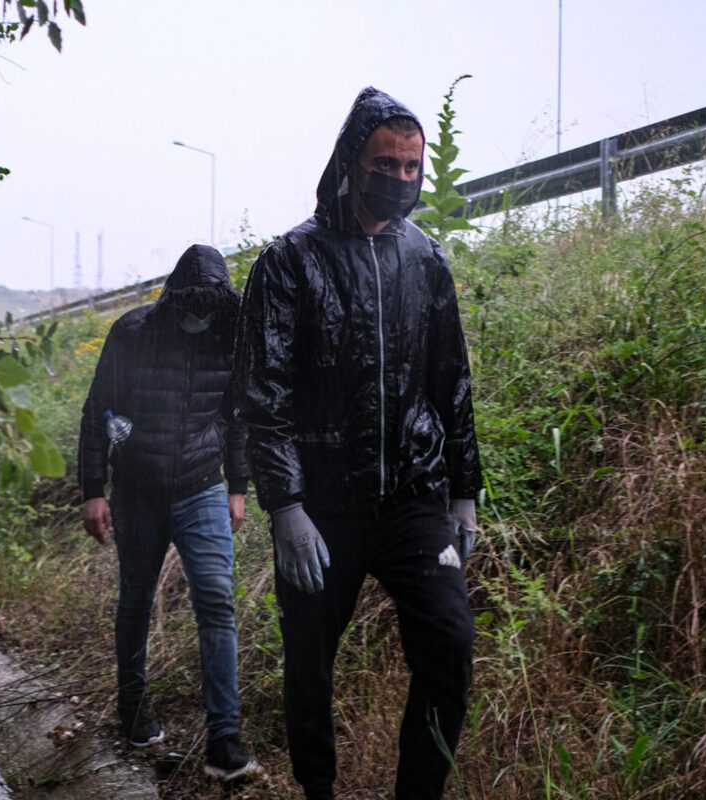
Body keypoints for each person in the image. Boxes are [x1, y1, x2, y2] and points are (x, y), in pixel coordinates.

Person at [233, 87, 481, 800]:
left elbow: (451, 381)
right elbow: (263, 394)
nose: (400, 179)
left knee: (451, 642)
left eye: (412, 167)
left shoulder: (426, 260)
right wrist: (285, 507)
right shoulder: (290, 261)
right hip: (323, 506)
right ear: (351, 160)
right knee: (308, 664)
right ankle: (319, 791)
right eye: (386, 164)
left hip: (411, 500)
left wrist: (463, 496)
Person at [77, 243, 260, 782]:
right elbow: (99, 410)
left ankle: (224, 739)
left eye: (209, 306)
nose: (199, 316)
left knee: (217, 599)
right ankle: (133, 711)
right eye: (191, 306)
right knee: (136, 596)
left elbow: (236, 415)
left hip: (203, 485)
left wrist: (238, 486)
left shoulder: (231, 333)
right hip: (136, 490)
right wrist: (95, 486)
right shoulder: (132, 332)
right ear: (175, 297)